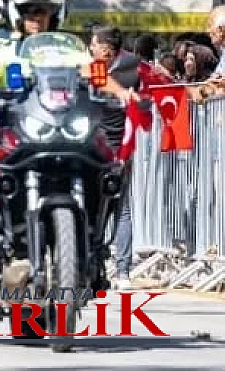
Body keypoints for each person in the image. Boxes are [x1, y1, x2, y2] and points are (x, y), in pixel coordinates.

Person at [0, 0, 138, 292]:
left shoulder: (71, 49)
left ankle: (96, 249)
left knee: (111, 171)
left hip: (65, 129)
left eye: (45, 11)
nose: (37, 17)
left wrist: (122, 93)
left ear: (57, 13)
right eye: (29, 11)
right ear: (14, 11)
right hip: (15, 132)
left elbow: (96, 75)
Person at [88, 25, 141, 290]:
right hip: (94, 147)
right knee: (103, 207)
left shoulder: (130, 70)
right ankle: (97, 261)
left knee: (118, 209)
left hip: (115, 148)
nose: (90, 49)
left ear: (106, 50)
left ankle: (121, 270)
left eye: (94, 45)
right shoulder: (96, 68)